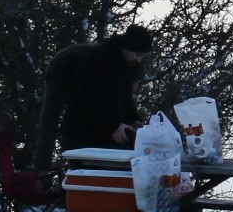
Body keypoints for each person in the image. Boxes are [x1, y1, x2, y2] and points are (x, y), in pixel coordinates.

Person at [35, 24, 156, 155]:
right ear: (127, 48)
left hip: (98, 136)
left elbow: (124, 98)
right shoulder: (97, 62)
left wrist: (133, 120)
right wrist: (113, 126)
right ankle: (42, 162)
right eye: (138, 54)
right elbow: (88, 101)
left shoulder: (126, 64)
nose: (139, 59)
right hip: (81, 137)